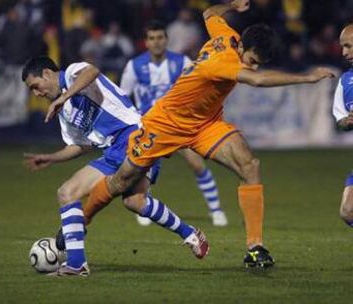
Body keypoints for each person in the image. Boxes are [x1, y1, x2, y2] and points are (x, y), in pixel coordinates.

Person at [46, 0, 335, 269]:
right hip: (164, 125)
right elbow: (257, 81)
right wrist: (307, 77)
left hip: (205, 124)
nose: (253, 66)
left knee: (250, 165)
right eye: (251, 60)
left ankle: (255, 247)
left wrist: (231, 5)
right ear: (242, 48)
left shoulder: (227, 35)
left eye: (258, 62)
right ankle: (82, 219)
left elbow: (209, 14)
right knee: (121, 182)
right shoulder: (224, 61)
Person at [21, 56, 209, 277]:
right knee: (134, 202)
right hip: (117, 149)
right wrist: (52, 158)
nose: (37, 93)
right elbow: (81, 145)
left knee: (68, 192)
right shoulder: (63, 112)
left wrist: (64, 96)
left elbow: (92, 71)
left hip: (134, 136)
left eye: (35, 86)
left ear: (47, 74)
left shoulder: (72, 73)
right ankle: (191, 235)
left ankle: (76, 263)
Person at [120, 20, 228, 227]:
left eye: (160, 37)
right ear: (146, 42)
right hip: (150, 126)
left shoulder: (182, 62)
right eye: (152, 38)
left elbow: (198, 88)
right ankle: (142, 206)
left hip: (179, 125)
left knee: (197, 164)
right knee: (141, 168)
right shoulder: (134, 66)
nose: (157, 42)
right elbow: (124, 96)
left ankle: (216, 210)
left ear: (166, 40)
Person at [332, 24, 353, 227]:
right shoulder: (345, 81)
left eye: (348, 46)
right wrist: (347, 121)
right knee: (348, 211)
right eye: (342, 46)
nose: (344, 52)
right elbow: (340, 120)